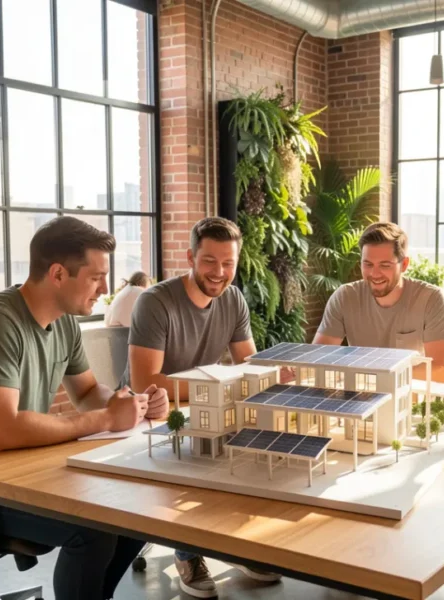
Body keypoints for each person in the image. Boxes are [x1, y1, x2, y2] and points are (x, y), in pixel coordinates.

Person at [0, 216, 166, 600]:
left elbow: (89, 391)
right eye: (96, 277)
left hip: (9, 473)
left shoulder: (62, 323)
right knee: (94, 528)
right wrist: (104, 418)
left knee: (134, 511)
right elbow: (3, 432)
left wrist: (129, 403)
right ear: (58, 273)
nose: (106, 289)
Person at [121, 216, 278, 598]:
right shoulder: (155, 302)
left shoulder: (233, 298)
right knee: (193, 457)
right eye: (209, 261)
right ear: (190, 256)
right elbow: (146, 382)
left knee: (248, 445)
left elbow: (248, 364)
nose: (220, 272)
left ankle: (234, 544)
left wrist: (270, 374)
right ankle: (188, 553)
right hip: (144, 414)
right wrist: (216, 381)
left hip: (201, 403)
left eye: (229, 263)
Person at [313, 222, 444, 383]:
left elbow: (442, 371)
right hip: (359, 399)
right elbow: (318, 359)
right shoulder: (345, 297)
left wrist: (373, 377)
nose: (375, 273)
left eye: (385, 265)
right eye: (368, 264)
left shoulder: (431, 299)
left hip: (411, 399)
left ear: (404, 265)